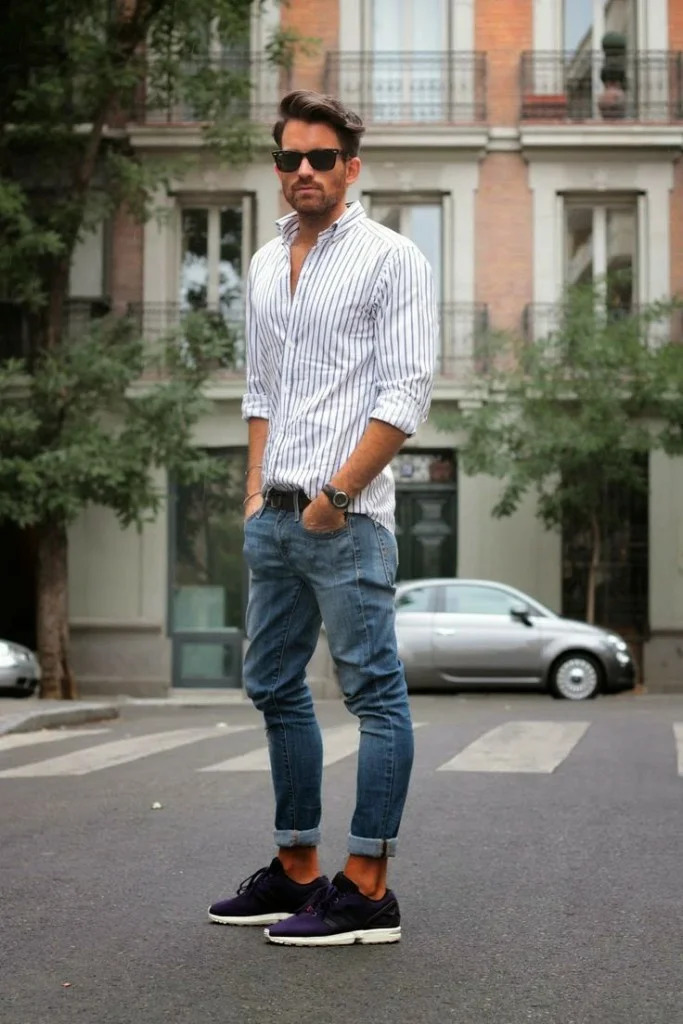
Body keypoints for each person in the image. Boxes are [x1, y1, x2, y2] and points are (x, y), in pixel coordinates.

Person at [208, 90, 437, 947]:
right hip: (273, 516)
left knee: (373, 695)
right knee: (272, 685)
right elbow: (260, 390)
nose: (303, 170)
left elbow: (405, 394)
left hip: (347, 520)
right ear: (277, 168)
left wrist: (334, 497)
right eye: (289, 157)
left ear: (350, 166)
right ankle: (296, 869)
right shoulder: (266, 263)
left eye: (320, 157)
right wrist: (254, 490)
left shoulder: (391, 259)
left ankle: (367, 888)